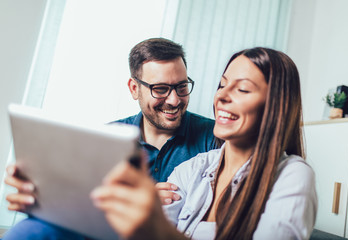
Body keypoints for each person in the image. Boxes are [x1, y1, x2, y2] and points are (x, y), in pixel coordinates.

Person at [90, 47, 318, 240]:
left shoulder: (292, 175)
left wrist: (156, 225)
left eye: (243, 89)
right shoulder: (193, 168)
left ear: (276, 107)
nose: (220, 96)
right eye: (222, 85)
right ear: (134, 88)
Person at [3, 38, 218, 239]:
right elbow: (83, 200)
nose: (174, 100)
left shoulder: (214, 138)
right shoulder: (107, 139)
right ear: (134, 89)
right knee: (31, 228)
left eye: (181, 87)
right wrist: (40, 191)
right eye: (160, 89)